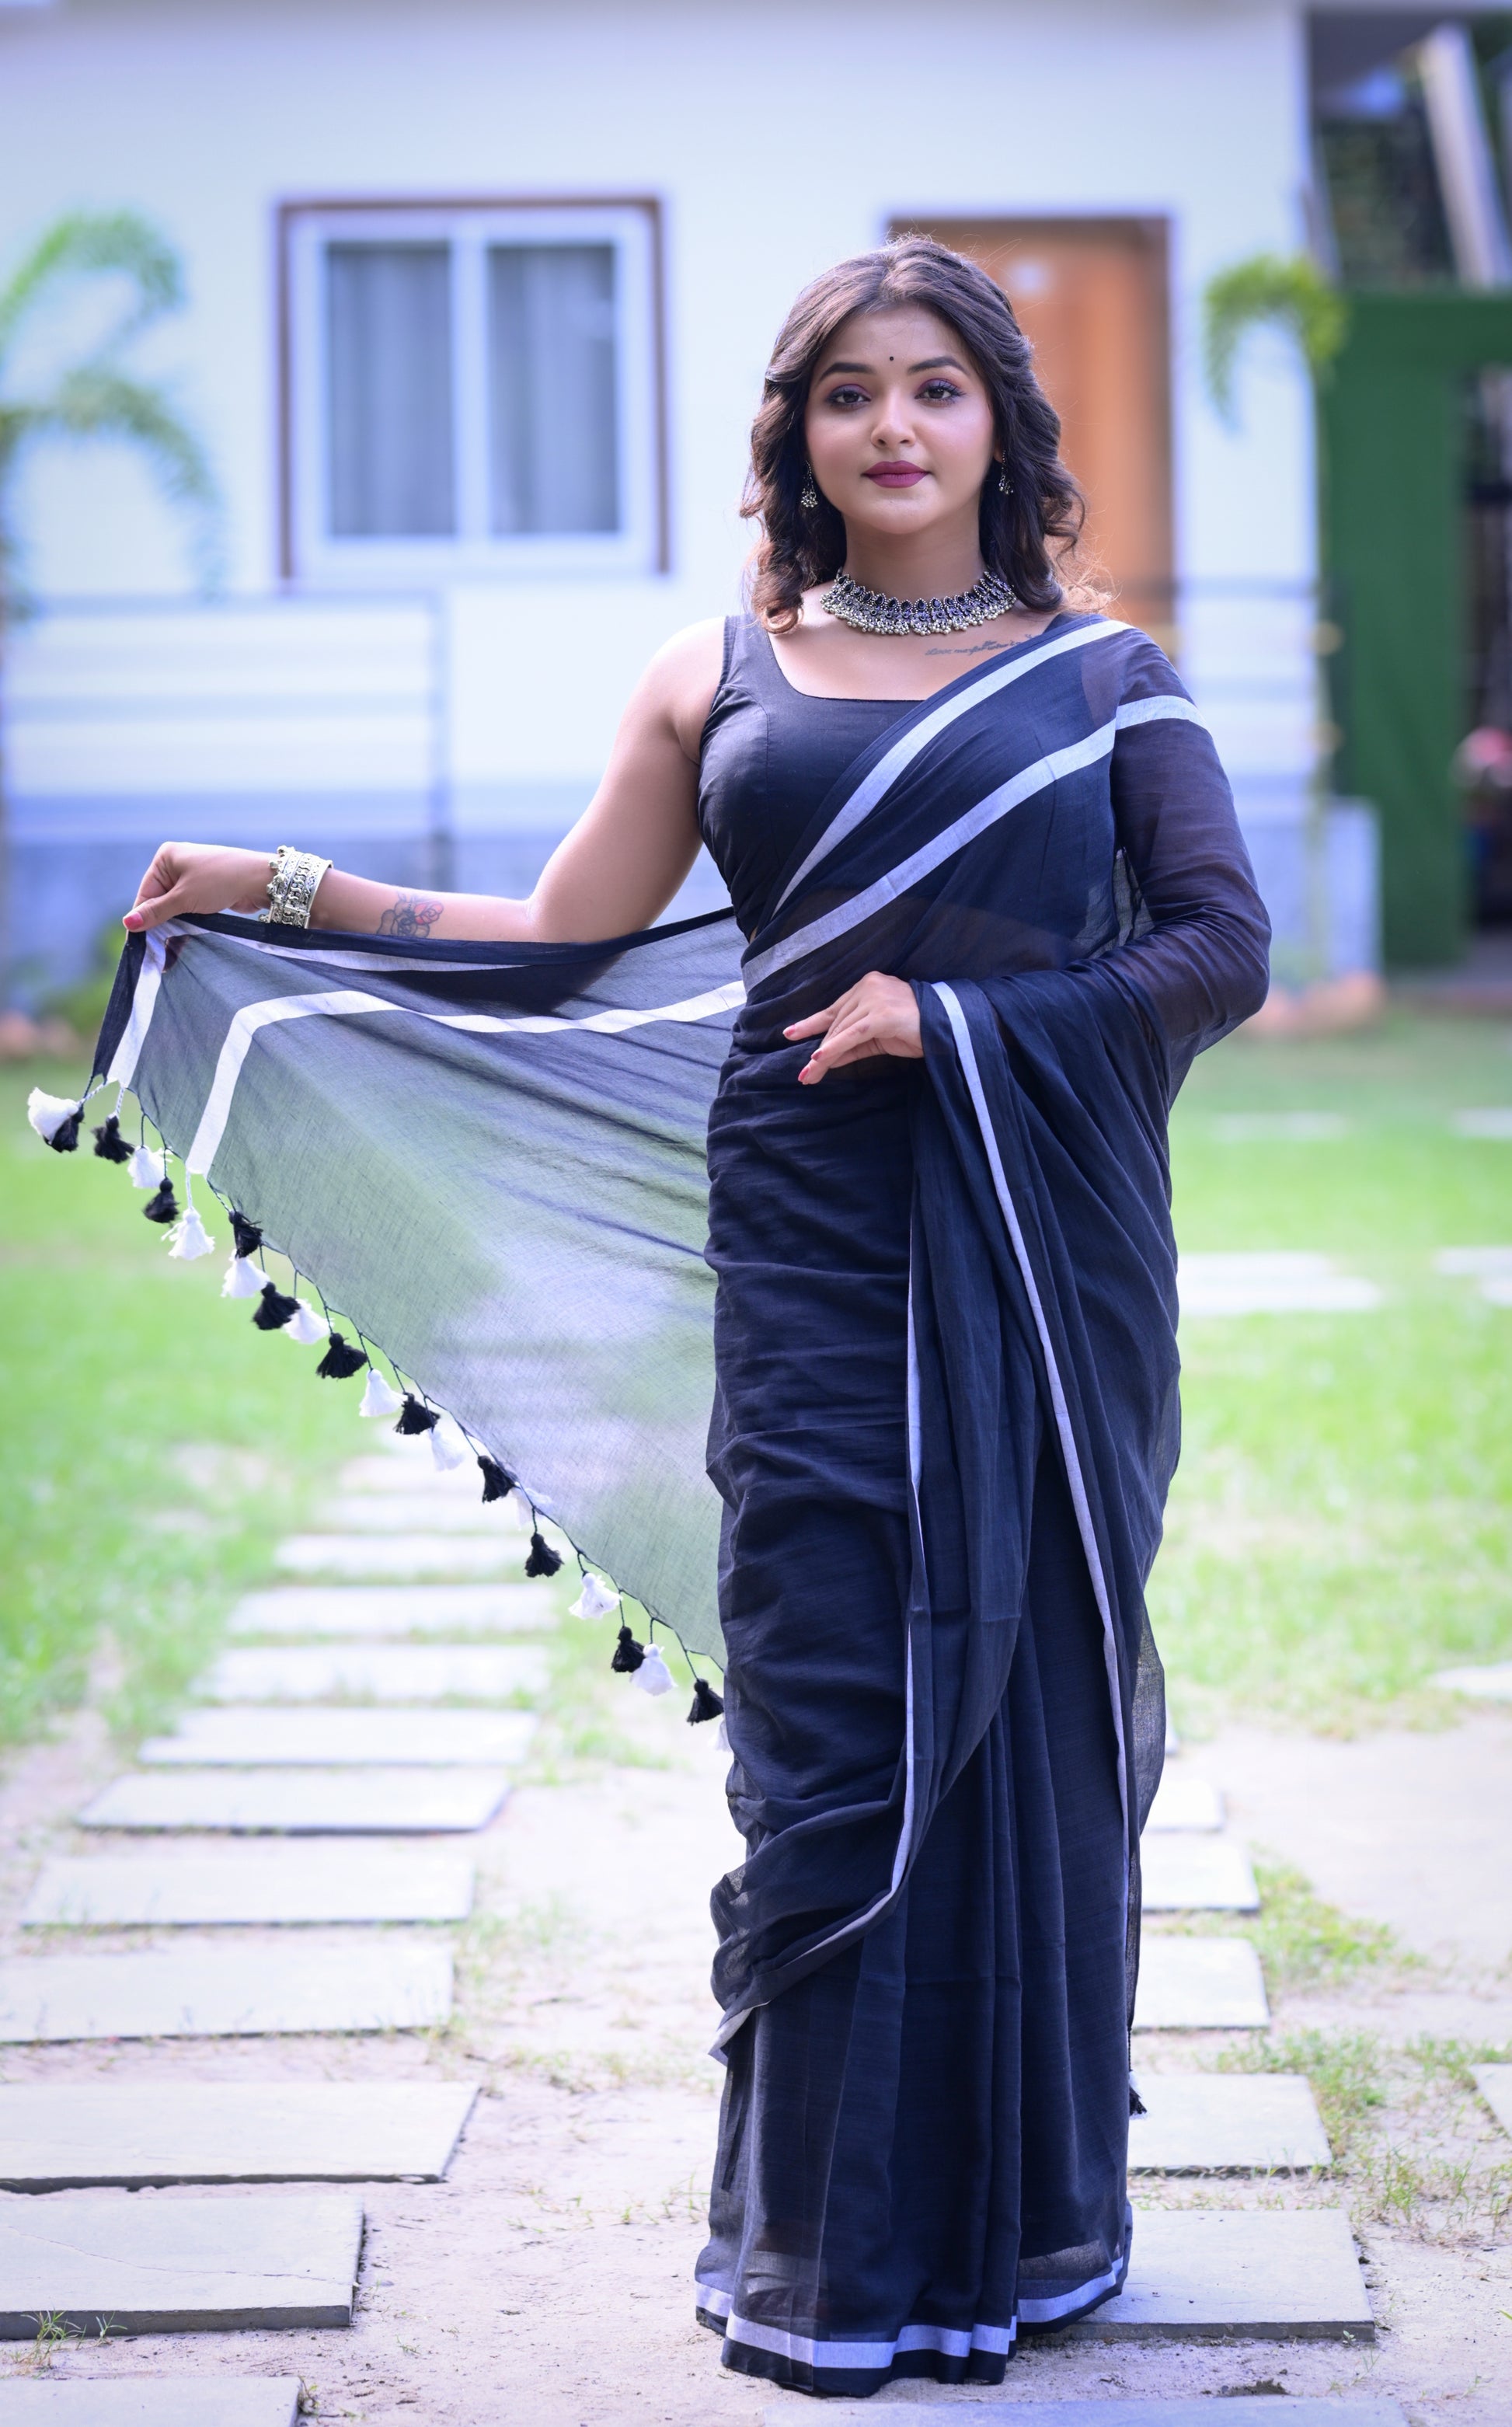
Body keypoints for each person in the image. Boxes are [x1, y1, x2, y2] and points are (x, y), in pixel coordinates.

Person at [124, 237, 1270, 2394]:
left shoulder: (1110, 682)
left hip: (1041, 1262)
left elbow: (1218, 949)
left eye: (934, 387)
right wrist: (278, 886)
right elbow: (559, 933)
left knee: (1018, 1697)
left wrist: (953, 1019)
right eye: (848, 392)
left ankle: (1012, 2226)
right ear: (796, 435)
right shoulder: (711, 673)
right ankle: (830, 2251)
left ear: (1000, 424)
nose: (892, 426)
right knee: (827, 1714)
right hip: (808, 1236)